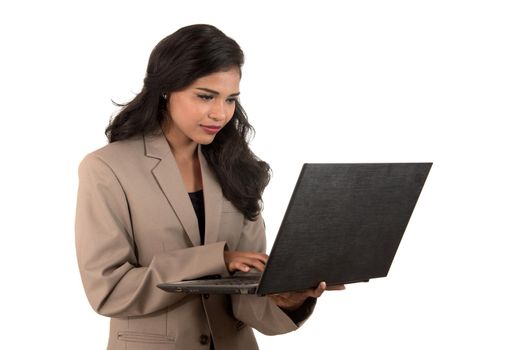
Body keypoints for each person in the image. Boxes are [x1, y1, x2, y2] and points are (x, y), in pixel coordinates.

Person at [75, 24, 344, 350]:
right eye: (205, 96)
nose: (220, 113)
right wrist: (217, 260)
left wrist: (287, 298)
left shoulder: (238, 168)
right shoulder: (107, 169)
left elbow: (245, 302)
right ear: (165, 90)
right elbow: (110, 291)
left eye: (230, 99)